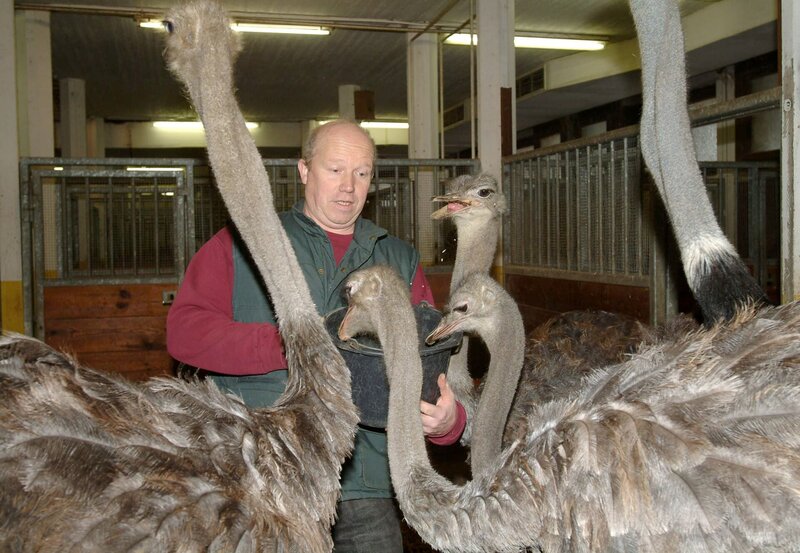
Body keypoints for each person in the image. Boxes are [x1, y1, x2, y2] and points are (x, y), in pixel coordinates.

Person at [166, 118, 467, 552]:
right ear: (304, 170)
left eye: (361, 173)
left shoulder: (398, 260)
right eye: (335, 170)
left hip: (363, 486)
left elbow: (430, 365)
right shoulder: (245, 244)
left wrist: (446, 422)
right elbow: (185, 331)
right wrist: (291, 345)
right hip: (265, 477)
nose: (349, 187)